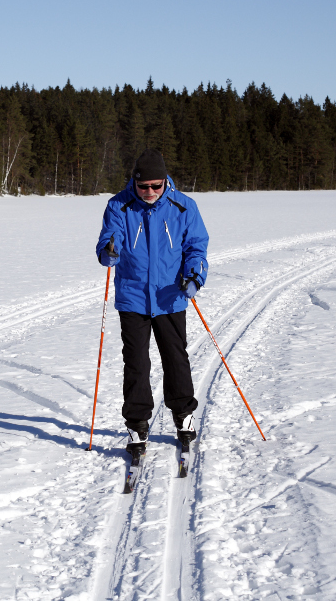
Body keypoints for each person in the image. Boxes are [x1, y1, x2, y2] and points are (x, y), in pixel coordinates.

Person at [94, 148, 209, 458]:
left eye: (155, 186)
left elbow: (196, 248)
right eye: (143, 186)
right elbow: (107, 241)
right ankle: (137, 422)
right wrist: (109, 249)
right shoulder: (119, 205)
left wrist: (194, 275)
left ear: (165, 182)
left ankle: (183, 414)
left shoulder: (184, 207)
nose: (149, 192)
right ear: (135, 182)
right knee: (136, 362)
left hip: (170, 296)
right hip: (133, 297)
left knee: (175, 357)